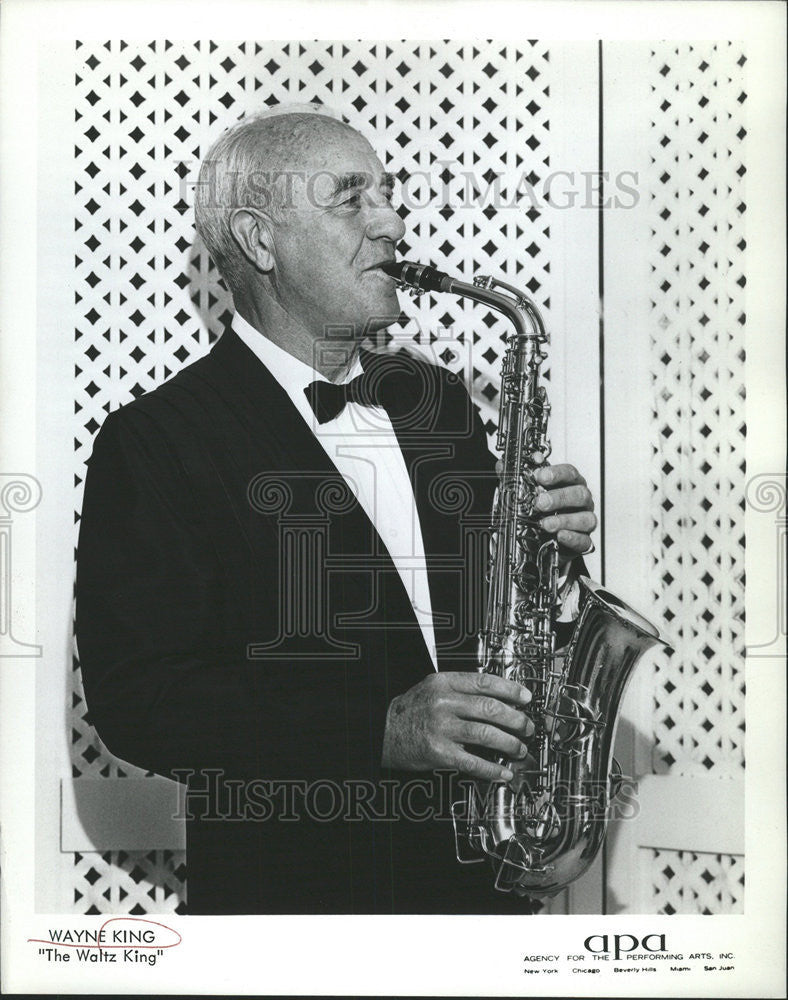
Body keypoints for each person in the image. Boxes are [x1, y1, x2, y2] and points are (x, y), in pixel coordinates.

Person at [75, 105, 597, 914]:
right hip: (300, 897)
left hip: (484, 888)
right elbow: (141, 701)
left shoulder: (436, 401)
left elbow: (497, 621)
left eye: (388, 194)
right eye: (352, 199)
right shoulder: (156, 441)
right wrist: (379, 731)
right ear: (259, 241)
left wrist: (551, 559)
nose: (390, 222)